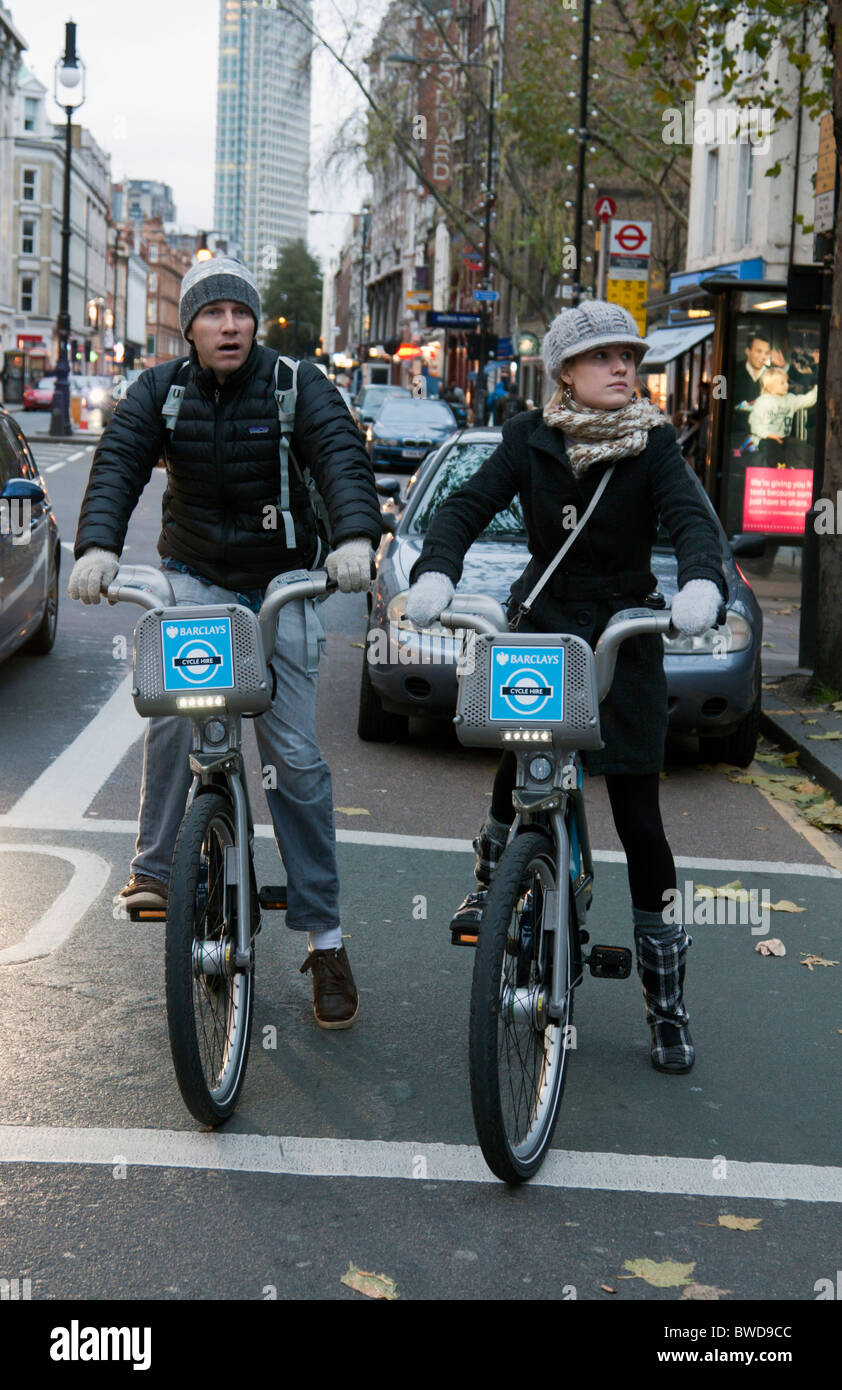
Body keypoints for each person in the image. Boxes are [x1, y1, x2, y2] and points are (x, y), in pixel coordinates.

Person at [404, 300, 728, 1074]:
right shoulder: (526, 438)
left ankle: (666, 1000)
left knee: (639, 818)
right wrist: (436, 569)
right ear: (566, 372)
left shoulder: (653, 444)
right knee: (518, 759)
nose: (624, 367)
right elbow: (463, 507)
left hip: (625, 633)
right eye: (605, 356)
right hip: (546, 626)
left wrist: (701, 586)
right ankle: (493, 877)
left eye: (630, 357)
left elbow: (691, 523)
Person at [68, 257, 382, 1030]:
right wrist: (98, 547)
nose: (229, 326)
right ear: (192, 329)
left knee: (295, 765)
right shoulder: (159, 390)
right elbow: (117, 464)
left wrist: (352, 539)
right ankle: (156, 868)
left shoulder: (297, 386)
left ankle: (323, 937)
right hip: (198, 578)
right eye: (212, 315)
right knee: (176, 715)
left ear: (255, 323)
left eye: (240, 313)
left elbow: (340, 459)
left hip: (282, 587)